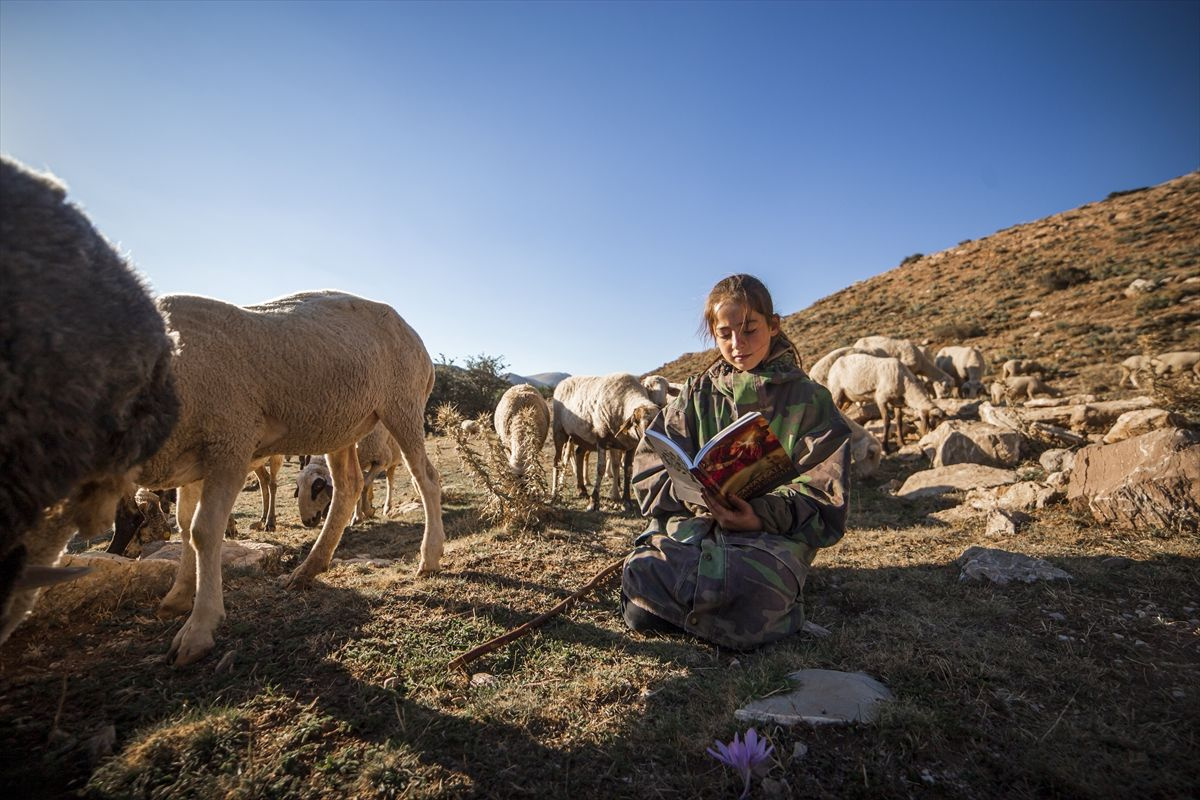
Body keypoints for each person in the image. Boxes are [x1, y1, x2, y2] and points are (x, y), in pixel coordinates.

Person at [621, 274, 851, 650]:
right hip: (694, 526)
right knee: (641, 586)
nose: (737, 344)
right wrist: (695, 496)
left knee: (752, 593)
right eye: (725, 333)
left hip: (767, 538)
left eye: (750, 330)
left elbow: (826, 494)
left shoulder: (811, 401)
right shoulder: (695, 395)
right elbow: (650, 468)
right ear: (713, 333)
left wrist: (760, 515)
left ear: (773, 326)